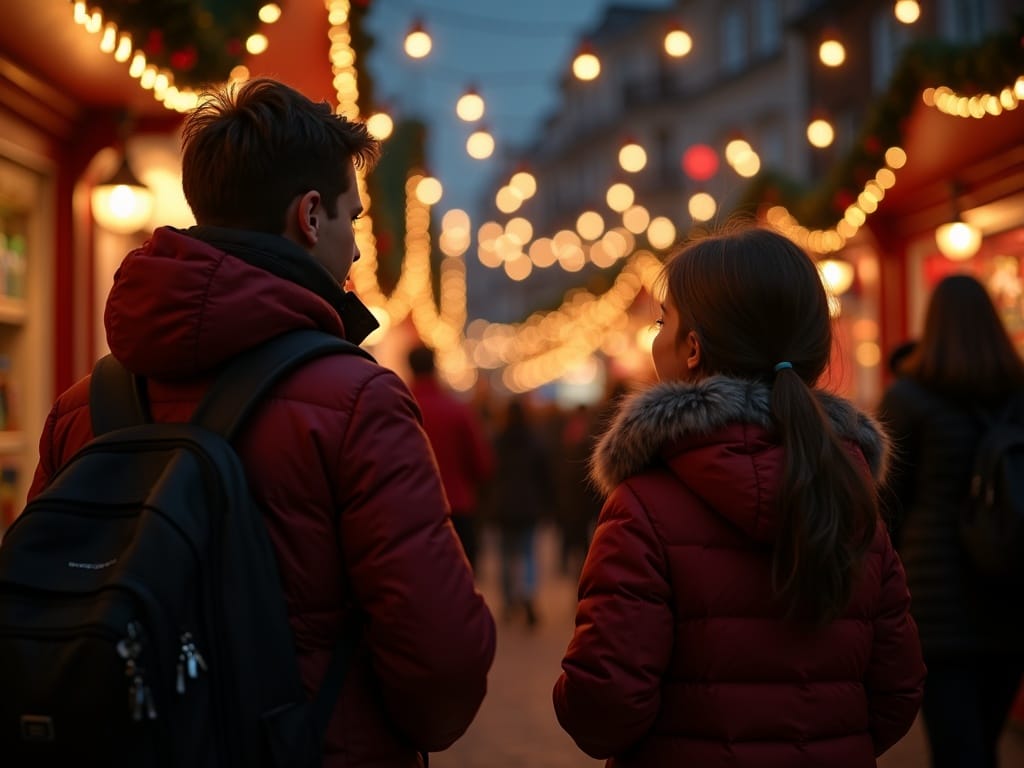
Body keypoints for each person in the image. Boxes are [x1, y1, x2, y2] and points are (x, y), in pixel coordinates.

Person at [27, 78, 495, 767]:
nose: (357, 249)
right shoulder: (360, 403)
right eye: (353, 218)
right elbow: (442, 659)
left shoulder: (79, 408)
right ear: (310, 216)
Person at [553, 225, 925, 767]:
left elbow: (603, 706)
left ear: (692, 347)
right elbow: (898, 690)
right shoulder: (852, 497)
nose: (656, 337)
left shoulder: (643, 508)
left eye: (662, 321)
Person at [877, 274, 1024, 768]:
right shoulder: (1018, 393)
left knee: (957, 748)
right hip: (1012, 590)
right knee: (988, 736)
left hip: (938, 601)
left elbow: (888, 503)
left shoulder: (909, 397)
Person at [407, 344, 494, 570]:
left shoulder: (400, 408)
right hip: (457, 508)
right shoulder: (457, 410)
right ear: (435, 367)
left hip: (411, 510)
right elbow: (481, 464)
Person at [491, 397, 554, 627]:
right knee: (528, 553)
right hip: (528, 505)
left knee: (505, 556)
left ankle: (509, 602)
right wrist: (547, 504)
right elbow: (544, 476)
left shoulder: (497, 442)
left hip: (503, 505)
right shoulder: (535, 441)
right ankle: (527, 594)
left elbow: (488, 474)